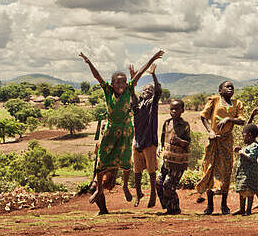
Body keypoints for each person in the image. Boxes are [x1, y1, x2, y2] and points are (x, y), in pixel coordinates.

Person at [79, 50, 164, 215]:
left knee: (125, 161)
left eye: (123, 83)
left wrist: (152, 59)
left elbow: (139, 73)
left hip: (125, 130)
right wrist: (89, 63)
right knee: (103, 159)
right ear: (112, 84)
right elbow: (97, 77)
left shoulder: (129, 89)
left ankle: (125, 186)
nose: (121, 86)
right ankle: (100, 190)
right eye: (118, 83)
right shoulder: (108, 91)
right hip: (111, 130)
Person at [195, 81, 246, 215]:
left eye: (232, 87)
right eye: (227, 87)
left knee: (226, 171)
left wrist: (229, 119)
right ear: (220, 90)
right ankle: (210, 205)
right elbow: (203, 116)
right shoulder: (214, 101)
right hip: (214, 141)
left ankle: (224, 204)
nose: (230, 89)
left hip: (227, 141)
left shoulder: (237, 104)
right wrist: (210, 131)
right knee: (210, 169)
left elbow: (242, 121)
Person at [130, 63, 162, 208]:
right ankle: (138, 193)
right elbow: (131, 92)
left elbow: (158, 91)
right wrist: (133, 79)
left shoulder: (152, 104)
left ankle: (153, 194)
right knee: (137, 170)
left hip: (149, 142)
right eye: (145, 89)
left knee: (151, 171)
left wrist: (153, 75)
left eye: (150, 90)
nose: (147, 91)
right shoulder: (137, 105)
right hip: (137, 142)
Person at [157, 99, 191, 215]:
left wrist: (178, 141)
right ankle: (168, 207)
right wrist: (160, 147)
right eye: (172, 109)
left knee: (168, 185)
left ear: (182, 110)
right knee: (158, 182)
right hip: (167, 161)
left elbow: (187, 143)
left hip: (178, 162)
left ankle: (175, 208)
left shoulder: (185, 125)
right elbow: (162, 137)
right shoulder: (167, 123)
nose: (173, 111)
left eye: (176, 109)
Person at [233, 110, 258, 216]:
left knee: (249, 192)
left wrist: (241, 152)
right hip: (243, 172)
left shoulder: (255, 146)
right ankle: (241, 209)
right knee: (242, 190)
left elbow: (251, 158)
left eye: (244, 135)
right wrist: (240, 150)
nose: (243, 138)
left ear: (249, 135)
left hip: (250, 173)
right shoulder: (247, 145)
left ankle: (248, 210)